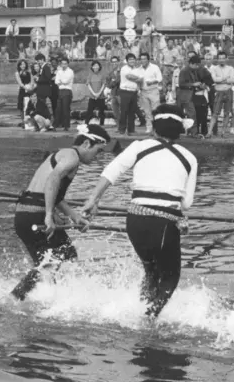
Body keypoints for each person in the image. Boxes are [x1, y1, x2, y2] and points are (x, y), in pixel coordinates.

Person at [81, 105, 198, 318]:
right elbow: (187, 204)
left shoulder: (139, 145)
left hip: (134, 220)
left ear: (154, 128)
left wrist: (93, 199)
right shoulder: (190, 157)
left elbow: (112, 171)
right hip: (164, 223)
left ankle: (139, 310)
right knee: (170, 278)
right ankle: (148, 319)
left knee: (151, 272)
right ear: (180, 130)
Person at [11, 124, 112, 300]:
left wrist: (74, 216)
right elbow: (53, 179)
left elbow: (53, 194)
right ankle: (16, 297)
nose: (98, 157)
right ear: (87, 144)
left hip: (24, 214)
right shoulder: (72, 157)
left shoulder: (63, 153)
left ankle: (40, 299)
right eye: (99, 151)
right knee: (59, 258)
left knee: (52, 262)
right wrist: (49, 215)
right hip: (36, 215)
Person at [209, 52, 234, 137]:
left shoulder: (231, 68)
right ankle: (209, 132)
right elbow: (214, 79)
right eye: (220, 58)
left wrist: (220, 80)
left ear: (226, 58)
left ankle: (223, 132)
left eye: (223, 58)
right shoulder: (214, 68)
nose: (221, 60)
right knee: (215, 113)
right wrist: (225, 79)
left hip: (228, 91)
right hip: (219, 91)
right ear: (217, 59)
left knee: (227, 113)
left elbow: (232, 80)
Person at [118, 53, 144, 135]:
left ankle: (131, 130)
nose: (132, 61)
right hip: (125, 91)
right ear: (127, 61)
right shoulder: (124, 68)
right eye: (130, 59)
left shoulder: (137, 69)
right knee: (124, 111)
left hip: (134, 92)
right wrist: (137, 78)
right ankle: (122, 129)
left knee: (132, 112)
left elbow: (141, 80)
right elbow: (129, 76)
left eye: (133, 59)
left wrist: (137, 79)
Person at [53, 57, 75, 130]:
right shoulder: (59, 71)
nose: (63, 65)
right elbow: (56, 81)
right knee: (58, 109)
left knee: (66, 109)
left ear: (68, 64)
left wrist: (61, 81)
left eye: (65, 64)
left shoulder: (70, 71)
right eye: (62, 64)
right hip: (60, 91)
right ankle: (55, 125)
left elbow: (66, 81)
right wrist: (62, 81)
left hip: (67, 91)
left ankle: (66, 126)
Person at [85, 60, 107, 126]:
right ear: (92, 67)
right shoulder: (90, 75)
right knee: (89, 111)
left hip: (101, 96)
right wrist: (94, 94)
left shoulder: (102, 75)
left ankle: (102, 124)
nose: (96, 67)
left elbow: (103, 85)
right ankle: (86, 124)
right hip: (92, 96)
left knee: (101, 112)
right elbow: (88, 85)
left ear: (99, 67)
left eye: (97, 66)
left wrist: (99, 93)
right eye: (94, 66)